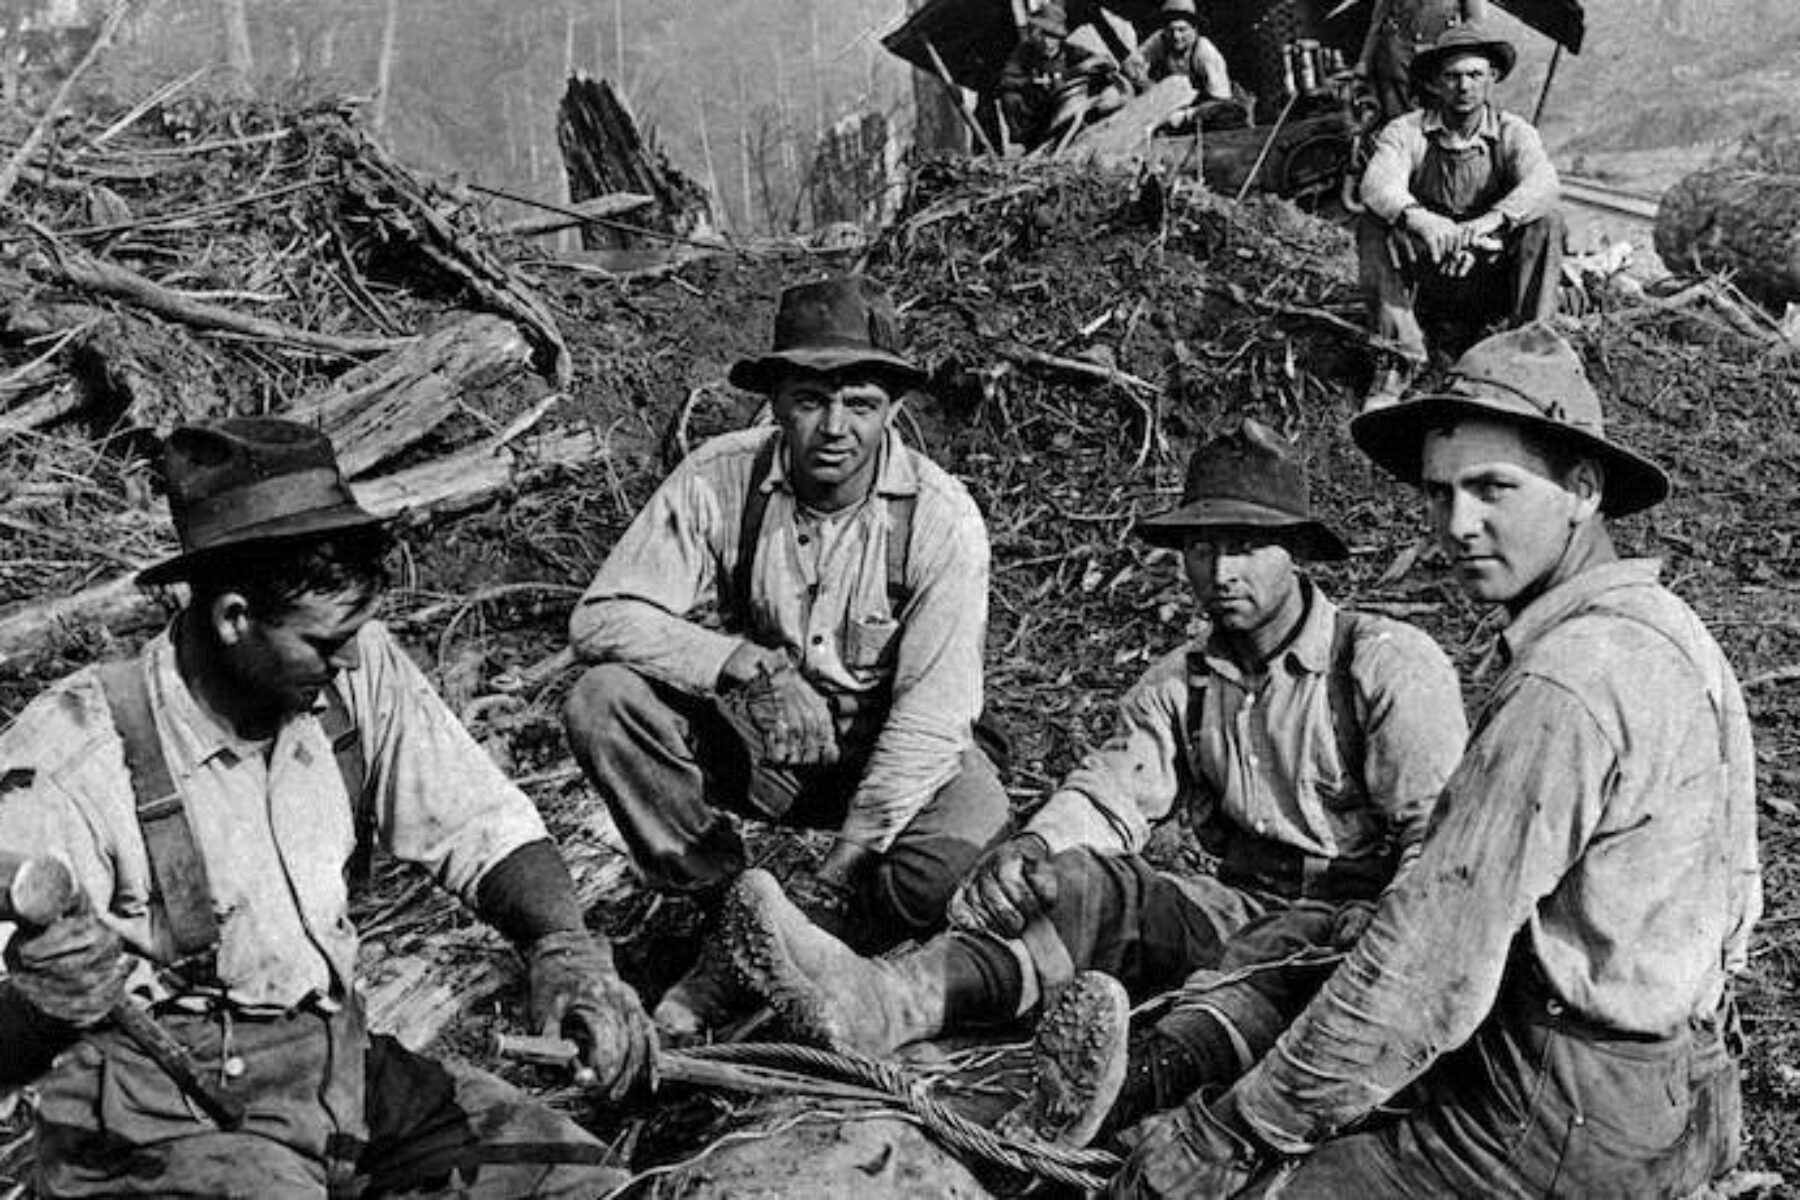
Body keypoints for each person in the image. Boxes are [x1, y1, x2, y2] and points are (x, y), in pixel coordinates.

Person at [1112, 324, 1760, 1198]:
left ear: (1582, 487)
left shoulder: (1568, 683)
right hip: (1686, 1077)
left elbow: (1431, 971)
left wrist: (1230, 1131)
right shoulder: (1673, 635)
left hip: (1560, 1109)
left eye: (1493, 488)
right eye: (1439, 493)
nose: (1456, 524)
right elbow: (1738, 901)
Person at [721, 420, 1467, 1147]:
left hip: (1359, 924)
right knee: (1077, 884)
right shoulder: (1186, 682)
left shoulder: (1384, 666)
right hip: (1237, 902)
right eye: (1201, 547)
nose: (1221, 571)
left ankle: (1104, 1100)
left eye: (1245, 546)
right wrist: (1034, 849)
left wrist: (1384, 945)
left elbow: (1437, 840)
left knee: (1273, 960)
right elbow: (1111, 793)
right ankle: (885, 1002)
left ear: (1299, 551)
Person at [0, 418, 654, 1198]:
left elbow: (484, 827)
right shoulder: (78, 753)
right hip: (152, 1122)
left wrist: (564, 949)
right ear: (234, 617)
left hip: (336, 1076)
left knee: (582, 1181)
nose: (348, 657)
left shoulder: (351, 669)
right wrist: (44, 1004)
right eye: (323, 641)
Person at [562, 275, 1010, 1044]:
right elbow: (600, 620)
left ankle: (819, 937)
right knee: (602, 702)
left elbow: (933, 721)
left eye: (860, 405)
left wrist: (835, 871)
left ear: (893, 411)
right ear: (774, 403)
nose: (835, 428)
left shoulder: (941, 520)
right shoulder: (719, 479)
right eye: (810, 400)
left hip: (887, 751)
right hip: (767, 741)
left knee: (962, 840)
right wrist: (743, 663)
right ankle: (728, 913)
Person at [1355, 24, 1563, 410]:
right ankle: (1399, 360)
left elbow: (1544, 182)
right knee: (1372, 223)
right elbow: (1377, 184)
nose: (1463, 86)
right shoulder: (1407, 131)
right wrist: (1424, 221)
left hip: (1489, 274)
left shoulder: (1513, 132)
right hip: (1428, 275)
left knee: (1547, 221)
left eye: (1474, 75)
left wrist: (1488, 225)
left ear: (1492, 78)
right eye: (1452, 76)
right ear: (1436, 81)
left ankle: (1526, 362)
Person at [998, 3, 1129, 151]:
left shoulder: (1070, 52)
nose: (1048, 42)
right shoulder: (1025, 52)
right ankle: (1030, 144)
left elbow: (1100, 62)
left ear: (1060, 37)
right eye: (1044, 34)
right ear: (1037, 33)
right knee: (1010, 98)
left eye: (1053, 36)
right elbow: (1007, 79)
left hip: (1066, 108)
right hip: (1038, 111)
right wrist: (1036, 82)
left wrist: (1098, 64)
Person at [1122, 0, 1248, 133]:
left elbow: (1221, 100)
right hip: (1171, 103)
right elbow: (1131, 63)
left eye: (1182, 30)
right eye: (1171, 30)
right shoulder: (1160, 39)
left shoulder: (1206, 53)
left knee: (1223, 117)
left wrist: (1185, 115)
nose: (1176, 36)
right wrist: (1145, 82)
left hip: (1205, 108)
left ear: (1194, 29)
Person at [1354, 0, 1489, 122]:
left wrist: (1457, 51)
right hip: (1396, 60)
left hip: (1440, 59)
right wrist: (1364, 61)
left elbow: (1475, 23)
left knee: (1444, 117)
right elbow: (1377, 22)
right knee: (1395, 120)